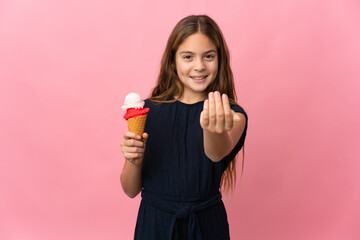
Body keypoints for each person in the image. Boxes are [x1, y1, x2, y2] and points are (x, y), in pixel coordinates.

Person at [120, 15, 248, 240]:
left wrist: (210, 126)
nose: (199, 66)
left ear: (220, 59)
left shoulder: (233, 115)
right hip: (154, 225)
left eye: (208, 56)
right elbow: (130, 191)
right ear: (173, 60)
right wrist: (133, 159)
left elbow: (215, 153)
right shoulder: (147, 111)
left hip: (206, 227)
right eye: (188, 57)